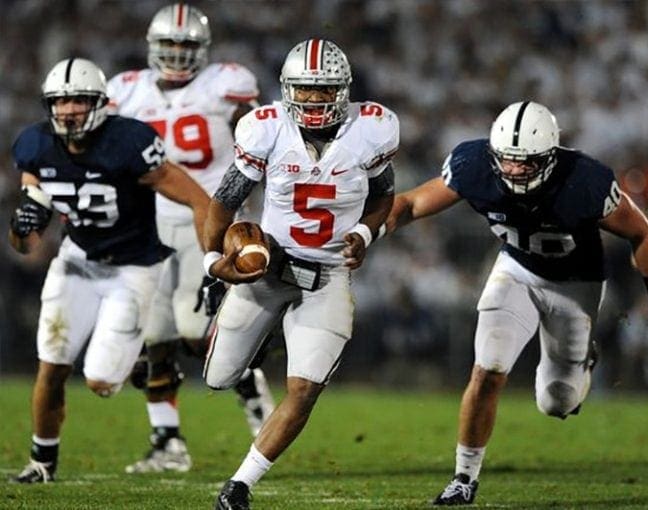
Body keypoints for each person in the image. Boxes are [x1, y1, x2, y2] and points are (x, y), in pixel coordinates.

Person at [385, 101, 648, 506]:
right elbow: (413, 204)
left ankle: (583, 362)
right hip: (516, 271)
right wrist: (367, 231)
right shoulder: (473, 164)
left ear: (550, 156)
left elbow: (642, 233)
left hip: (576, 285)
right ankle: (463, 478)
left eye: (525, 163)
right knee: (487, 370)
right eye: (505, 160)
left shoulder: (585, 180)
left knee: (557, 401)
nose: (512, 170)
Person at [201, 38, 398, 509]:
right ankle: (263, 336)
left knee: (305, 388)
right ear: (287, 89)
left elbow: (384, 198)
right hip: (267, 266)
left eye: (323, 89)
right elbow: (224, 202)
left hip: (327, 277)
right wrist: (214, 264)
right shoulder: (265, 129)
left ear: (343, 90)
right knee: (217, 378)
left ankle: (240, 485)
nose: (312, 99)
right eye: (304, 90)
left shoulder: (371, 130)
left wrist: (367, 236)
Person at [8, 57, 210, 483]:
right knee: (52, 362)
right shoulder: (34, 144)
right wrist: (22, 224)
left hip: (133, 269)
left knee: (100, 382)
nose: (69, 111)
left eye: (79, 100)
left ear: (100, 103)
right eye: (60, 102)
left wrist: (211, 260)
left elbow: (198, 199)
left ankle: (132, 358)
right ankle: (42, 462)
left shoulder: (129, 142)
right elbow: (24, 239)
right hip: (77, 262)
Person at [107, 3, 274, 474]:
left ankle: (252, 394)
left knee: (194, 327)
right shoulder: (126, 90)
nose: (178, 54)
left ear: (202, 50)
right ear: (152, 47)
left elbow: (260, 137)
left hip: (208, 217)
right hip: (148, 222)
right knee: (152, 333)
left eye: (186, 45)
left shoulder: (226, 85)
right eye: (171, 45)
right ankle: (167, 443)